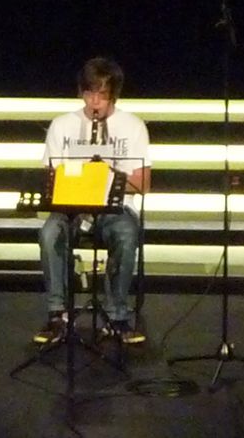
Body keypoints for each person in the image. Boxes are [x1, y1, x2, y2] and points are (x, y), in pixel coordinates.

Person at [34, 57, 151, 346]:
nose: (94, 101)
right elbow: (50, 180)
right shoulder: (62, 125)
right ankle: (57, 313)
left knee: (126, 232)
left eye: (101, 94)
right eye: (89, 93)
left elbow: (144, 183)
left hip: (115, 208)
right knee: (49, 233)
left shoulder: (133, 126)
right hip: (72, 208)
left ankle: (116, 315)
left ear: (113, 95)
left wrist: (107, 173)